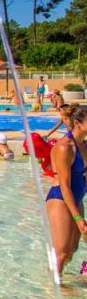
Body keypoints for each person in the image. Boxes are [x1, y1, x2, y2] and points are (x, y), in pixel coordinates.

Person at [46, 104, 87, 279]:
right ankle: (54, 289)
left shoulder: (84, 145)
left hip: (76, 197)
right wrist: (78, 218)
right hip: (60, 198)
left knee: (72, 249)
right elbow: (64, 185)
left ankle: (65, 277)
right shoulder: (65, 147)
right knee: (62, 252)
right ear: (78, 123)